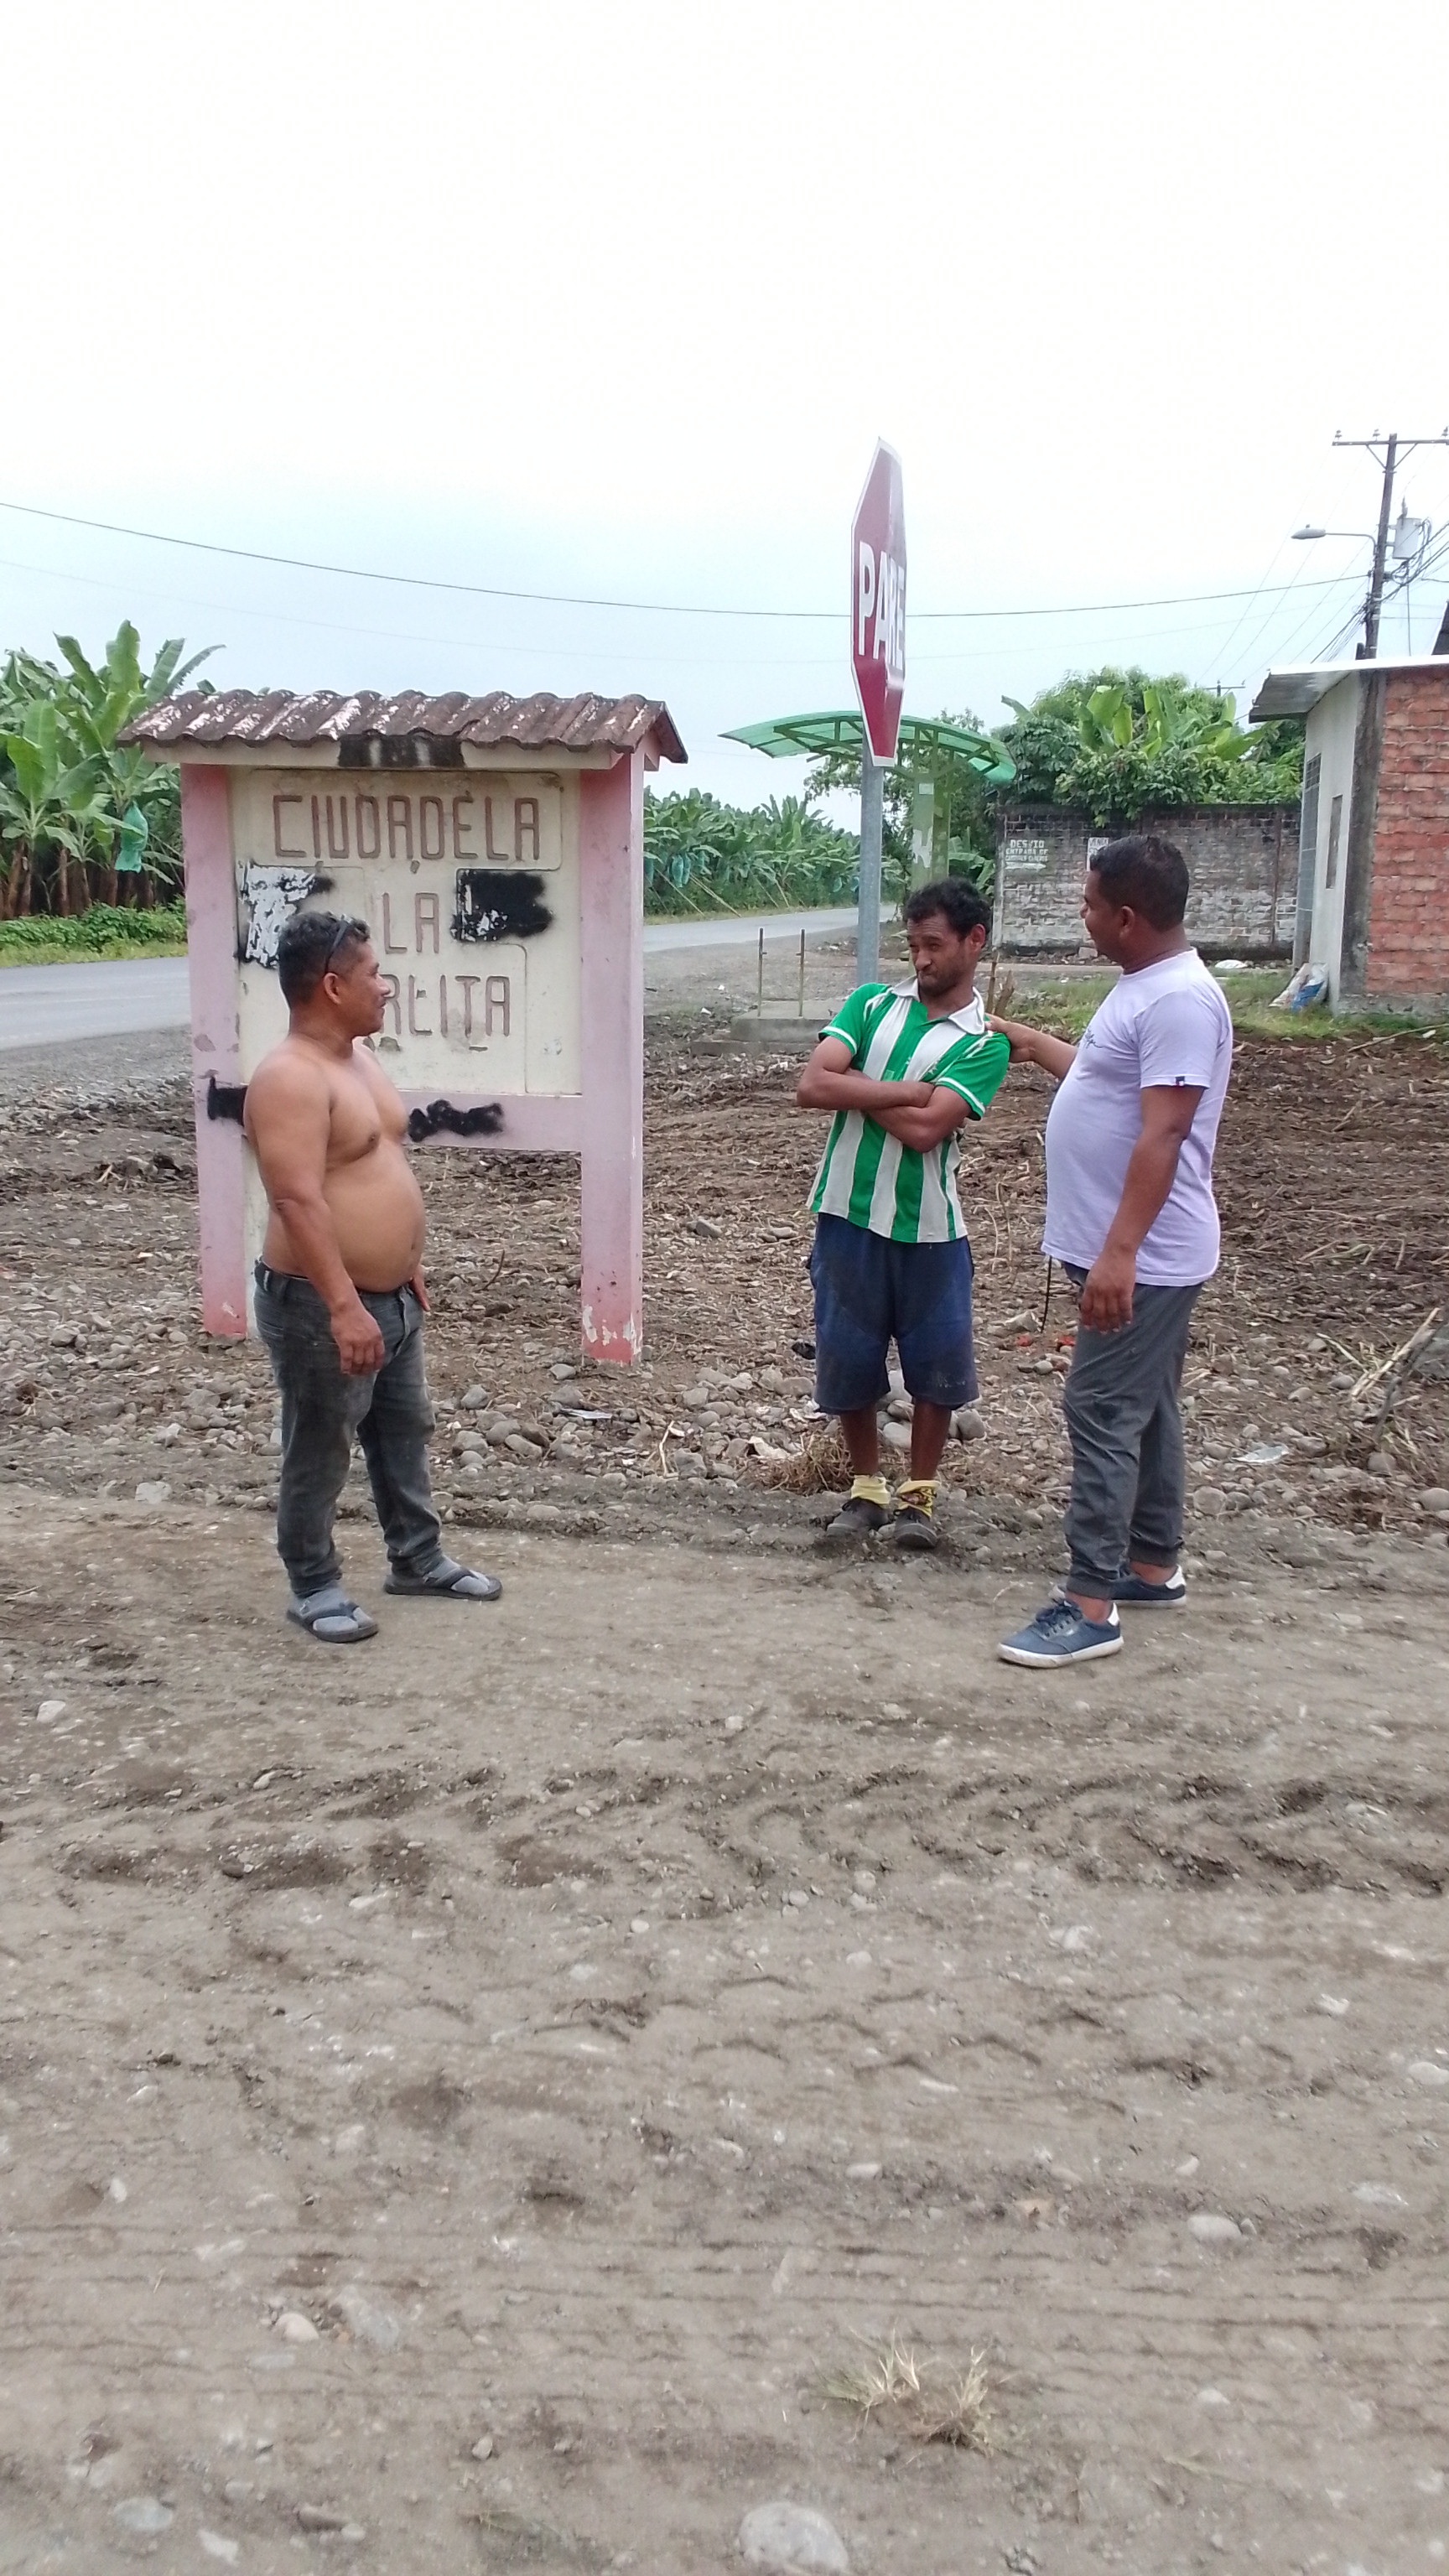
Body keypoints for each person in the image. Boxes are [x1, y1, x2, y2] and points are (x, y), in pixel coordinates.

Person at [991, 834, 1233, 1667]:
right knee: (1148, 1403)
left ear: (1127, 917)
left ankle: (1090, 1603)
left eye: (1090, 904)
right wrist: (1031, 1043)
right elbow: (1106, 1082)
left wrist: (1119, 1253)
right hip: (1136, 1250)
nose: (1081, 915)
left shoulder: (1179, 1002)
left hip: (1146, 1257)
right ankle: (1153, 1563)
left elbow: (1164, 1132)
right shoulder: (1145, 987)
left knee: (1099, 1409)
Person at [243, 911, 501, 1643]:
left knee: (402, 1429)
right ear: (332, 987)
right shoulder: (289, 1077)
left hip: (389, 1296)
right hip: (322, 1302)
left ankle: (417, 1558)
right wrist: (343, 1305)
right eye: (374, 975)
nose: (386, 987)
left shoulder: (356, 1061)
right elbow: (296, 1199)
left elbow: (376, 1166)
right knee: (320, 1442)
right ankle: (313, 1583)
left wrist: (403, 1262)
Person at [795, 878, 1009, 1550]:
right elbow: (812, 1085)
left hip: (931, 1229)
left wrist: (855, 1088)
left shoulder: (986, 1042)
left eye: (934, 945)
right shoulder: (870, 1002)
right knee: (848, 1357)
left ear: (974, 941)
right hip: (845, 1213)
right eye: (913, 944)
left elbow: (925, 1131)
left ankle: (919, 1496)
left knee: (936, 1368)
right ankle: (865, 1488)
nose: (920, 959)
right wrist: (909, 1091)